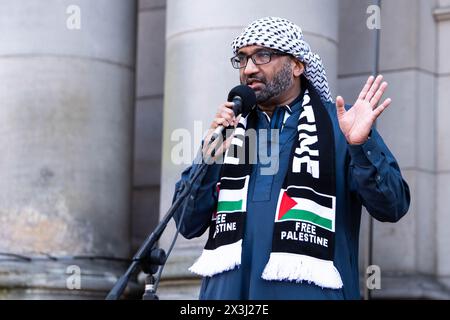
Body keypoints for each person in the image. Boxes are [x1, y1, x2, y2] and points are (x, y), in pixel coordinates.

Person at [172, 17, 410, 300]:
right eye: (242, 59)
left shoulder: (340, 127)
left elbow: (392, 206)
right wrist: (206, 159)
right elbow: (186, 223)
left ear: (297, 65)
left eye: (263, 55)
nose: (249, 69)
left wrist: (362, 146)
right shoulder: (229, 135)